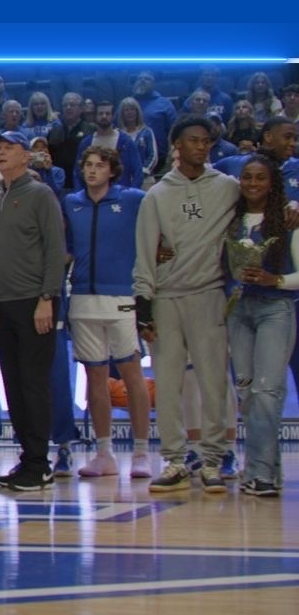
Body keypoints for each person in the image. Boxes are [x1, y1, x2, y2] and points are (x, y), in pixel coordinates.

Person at [134, 116, 238, 494]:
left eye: (206, 140)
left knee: (213, 382)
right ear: (176, 145)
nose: (201, 146)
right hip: (165, 297)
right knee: (167, 383)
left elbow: (262, 200)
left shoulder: (228, 188)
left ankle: (213, 460)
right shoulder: (157, 195)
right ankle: (176, 460)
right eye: (193, 140)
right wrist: (142, 303)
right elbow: (145, 250)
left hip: (209, 293)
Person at [64, 147, 152, 479]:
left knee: (131, 374)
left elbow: (161, 217)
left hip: (122, 295)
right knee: (95, 377)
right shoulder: (71, 202)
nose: (92, 170)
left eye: (100, 165)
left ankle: (141, 451)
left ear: (112, 171)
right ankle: (104, 453)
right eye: (87, 165)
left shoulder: (132, 199)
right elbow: (66, 247)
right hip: (83, 297)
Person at [0, 129, 66, 491]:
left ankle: (40, 462)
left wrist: (47, 297)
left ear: (26, 156)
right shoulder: (2, 198)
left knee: (33, 384)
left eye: (9, 148)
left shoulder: (40, 194)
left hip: (34, 301)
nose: (1, 154)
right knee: (14, 385)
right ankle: (27, 458)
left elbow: (55, 249)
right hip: (5, 304)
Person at [225, 156, 297, 497]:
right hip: (238, 310)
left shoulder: (288, 218)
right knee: (247, 393)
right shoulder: (231, 217)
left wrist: (275, 279)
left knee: (267, 393)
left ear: (273, 182)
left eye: (260, 178)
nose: (253, 183)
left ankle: (259, 474)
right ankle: (268, 470)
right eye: (247, 177)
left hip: (275, 310)